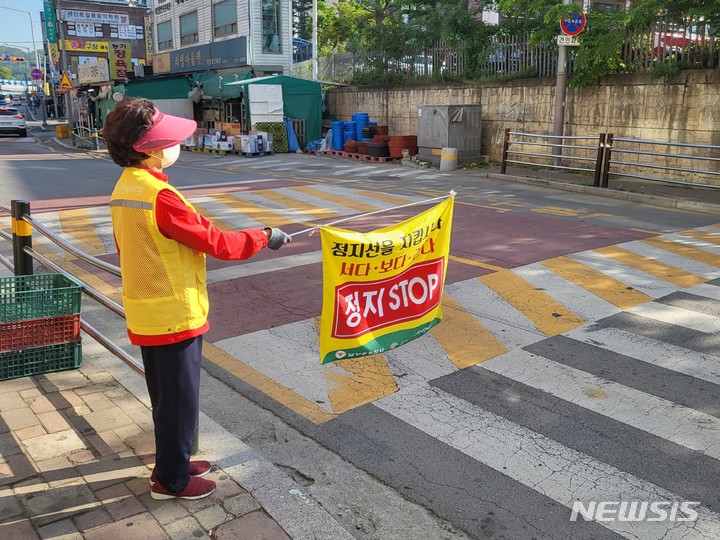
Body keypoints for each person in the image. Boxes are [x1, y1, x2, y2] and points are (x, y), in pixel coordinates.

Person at [104, 97, 292, 501]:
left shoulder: (128, 187)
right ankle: (171, 481)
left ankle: (174, 459)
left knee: (169, 399)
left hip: (149, 309)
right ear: (148, 147)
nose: (175, 146)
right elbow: (218, 243)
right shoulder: (158, 196)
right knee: (177, 402)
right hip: (171, 313)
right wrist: (264, 236)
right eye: (167, 140)